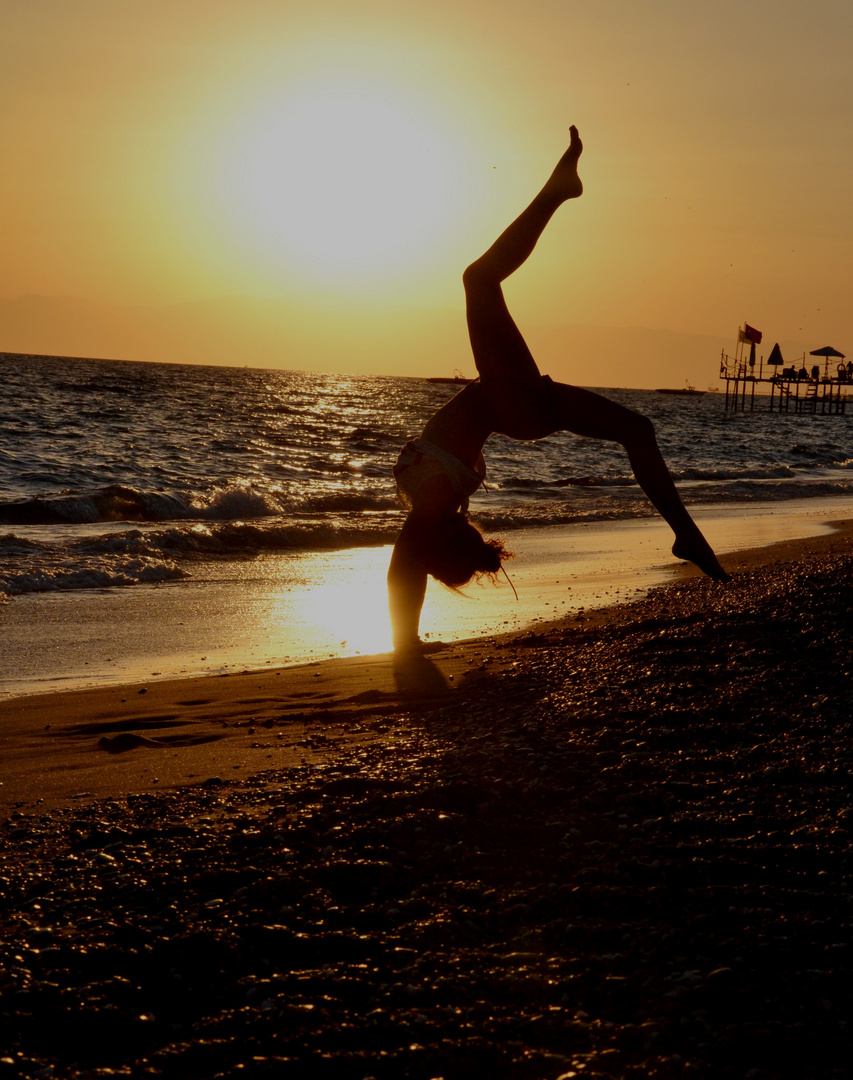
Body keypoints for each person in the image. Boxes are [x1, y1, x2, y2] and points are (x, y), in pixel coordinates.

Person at [388, 126, 728, 652]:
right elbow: (404, 561)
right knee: (478, 280)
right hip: (509, 404)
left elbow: (407, 559)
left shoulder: (437, 507)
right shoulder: (433, 503)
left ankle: (686, 534)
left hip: (511, 405)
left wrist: (406, 640)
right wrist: (405, 643)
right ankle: (556, 192)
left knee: (637, 429)